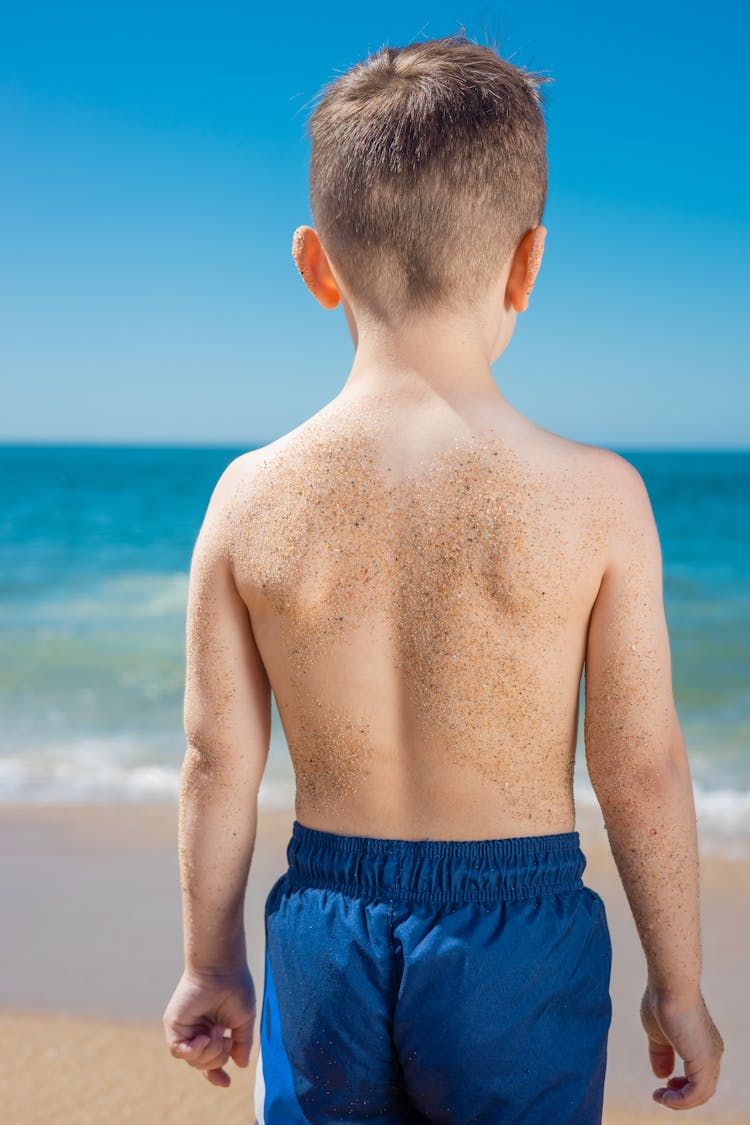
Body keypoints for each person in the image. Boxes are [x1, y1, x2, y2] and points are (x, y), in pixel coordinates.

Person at [162, 32, 723, 1123]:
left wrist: (211, 960)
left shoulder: (249, 497)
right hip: (515, 937)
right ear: (529, 262)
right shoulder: (598, 499)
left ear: (315, 265)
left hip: (321, 925)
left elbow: (213, 762)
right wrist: (680, 985)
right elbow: (640, 770)